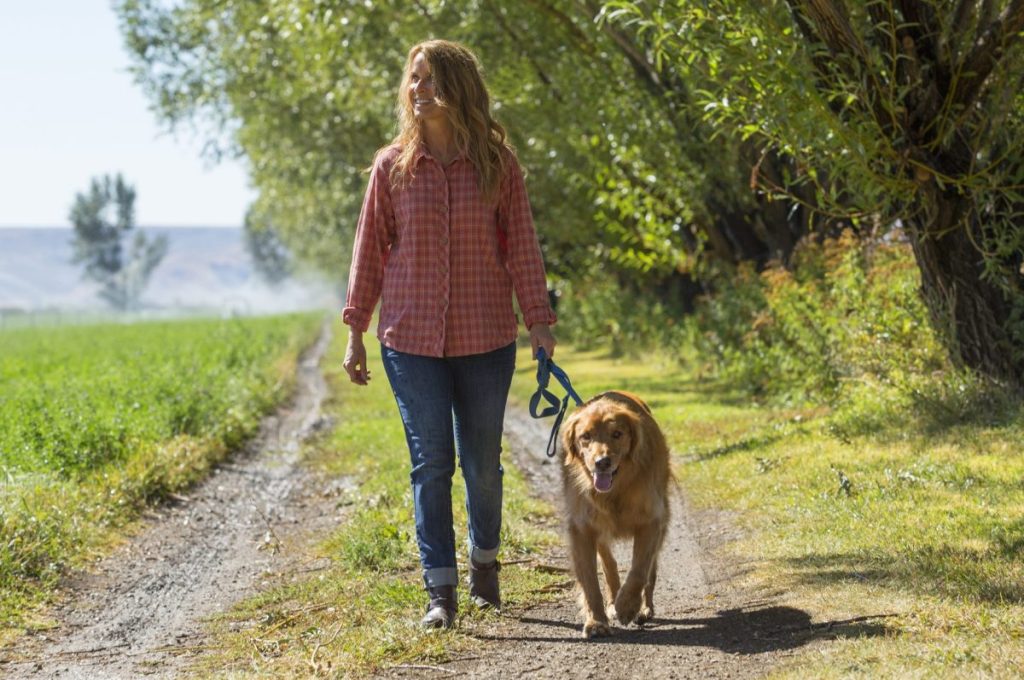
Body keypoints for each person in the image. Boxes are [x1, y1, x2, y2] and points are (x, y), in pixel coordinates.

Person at [341, 39, 557, 629]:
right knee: (430, 463)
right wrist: (356, 329)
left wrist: (538, 320)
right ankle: (441, 592)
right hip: (409, 341)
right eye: (414, 79)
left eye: (431, 79)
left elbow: (523, 247)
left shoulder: (497, 163)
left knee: (482, 463)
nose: (419, 90)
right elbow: (369, 252)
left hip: (486, 337)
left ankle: (484, 563)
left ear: (458, 88)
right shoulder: (391, 168)